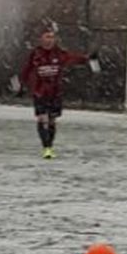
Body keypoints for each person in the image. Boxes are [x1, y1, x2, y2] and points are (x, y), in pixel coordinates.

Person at [18, 26, 98, 159]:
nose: (50, 40)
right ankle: (46, 148)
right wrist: (21, 85)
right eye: (47, 37)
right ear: (41, 39)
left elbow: (73, 58)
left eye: (52, 37)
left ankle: (50, 146)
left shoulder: (59, 54)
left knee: (52, 120)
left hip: (55, 93)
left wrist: (88, 58)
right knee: (42, 118)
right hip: (40, 92)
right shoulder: (35, 54)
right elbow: (26, 70)